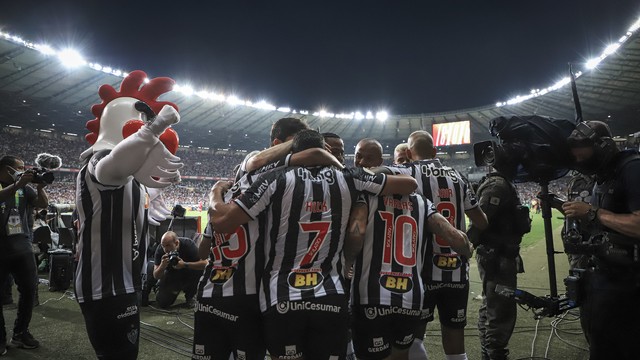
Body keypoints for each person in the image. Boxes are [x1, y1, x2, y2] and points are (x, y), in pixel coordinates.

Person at [209, 130, 418, 359]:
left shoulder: (274, 177)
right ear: (325, 150)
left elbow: (221, 222)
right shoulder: (350, 176)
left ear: (294, 150)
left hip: (282, 298)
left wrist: (214, 192)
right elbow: (409, 184)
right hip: (331, 295)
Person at [193, 118, 342, 360]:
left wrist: (213, 193)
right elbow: (258, 161)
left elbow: (203, 251)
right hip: (251, 296)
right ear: (276, 145)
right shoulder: (272, 179)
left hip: (210, 291)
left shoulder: (225, 198)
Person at [74, 71, 183, 360]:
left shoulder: (130, 179)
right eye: (146, 121)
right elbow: (112, 169)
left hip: (125, 281)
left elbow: (140, 198)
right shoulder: (98, 161)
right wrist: (154, 128)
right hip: (106, 285)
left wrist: (164, 184)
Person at [351, 138, 474, 360]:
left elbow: (356, 234)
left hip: (371, 295)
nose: (361, 162)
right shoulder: (422, 202)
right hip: (410, 296)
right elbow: (458, 240)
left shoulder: (363, 195)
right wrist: (468, 249)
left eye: (366, 158)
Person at [385, 131, 488, 360]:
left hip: (421, 273)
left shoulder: (406, 173)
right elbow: (481, 221)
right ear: (434, 151)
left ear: (409, 153)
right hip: (456, 272)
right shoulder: (458, 176)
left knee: (412, 338)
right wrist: (464, 242)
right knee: (455, 340)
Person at [562, 121, 640, 360]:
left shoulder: (632, 168)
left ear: (603, 146)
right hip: (606, 278)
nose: (580, 164)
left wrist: (594, 213)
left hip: (631, 284)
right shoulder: (603, 175)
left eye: (584, 157)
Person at [471, 169, 529, 360]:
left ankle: (489, 354)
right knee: (499, 312)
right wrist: (468, 244)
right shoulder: (497, 185)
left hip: (500, 256)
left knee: (492, 307)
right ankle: (494, 354)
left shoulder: (502, 182)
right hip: (497, 258)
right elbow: (481, 220)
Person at [0, 155, 49, 354]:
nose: (23, 170)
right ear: (6, 168)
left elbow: (42, 204)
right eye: (19, 167)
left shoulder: (24, 187)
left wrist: (40, 187)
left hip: (22, 247)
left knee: (29, 290)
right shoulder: (12, 185)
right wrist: (18, 183)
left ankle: (20, 333)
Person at [152, 231, 206, 308]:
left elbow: (205, 264)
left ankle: (191, 295)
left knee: (198, 269)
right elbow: (156, 275)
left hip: (188, 274)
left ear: (176, 243)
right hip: (172, 276)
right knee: (163, 303)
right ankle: (162, 288)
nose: (165, 249)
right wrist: (162, 266)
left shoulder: (188, 244)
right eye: (163, 246)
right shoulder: (160, 250)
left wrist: (184, 264)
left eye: (168, 245)